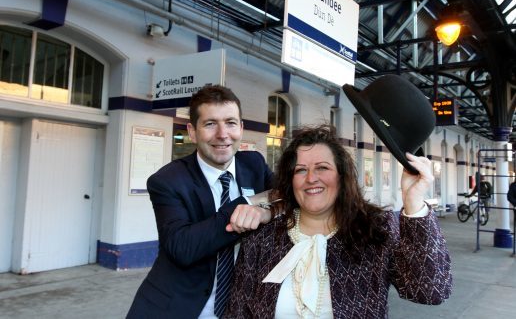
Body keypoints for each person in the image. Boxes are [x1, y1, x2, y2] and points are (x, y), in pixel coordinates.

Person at [224, 125, 452, 319]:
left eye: (322, 168)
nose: (311, 178)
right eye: (301, 170)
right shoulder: (263, 237)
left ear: (342, 177)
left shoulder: (374, 230)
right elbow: (238, 312)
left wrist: (413, 203)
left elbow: (431, 290)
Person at [127, 85, 274, 319]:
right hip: (180, 307)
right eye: (210, 124)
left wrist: (267, 211)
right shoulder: (168, 181)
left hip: (241, 307)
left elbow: (286, 196)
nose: (223, 134)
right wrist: (248, 202)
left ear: (241, 128)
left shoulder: (254, 163)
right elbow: (183, 247)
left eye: (230, 123)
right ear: (192, 132)